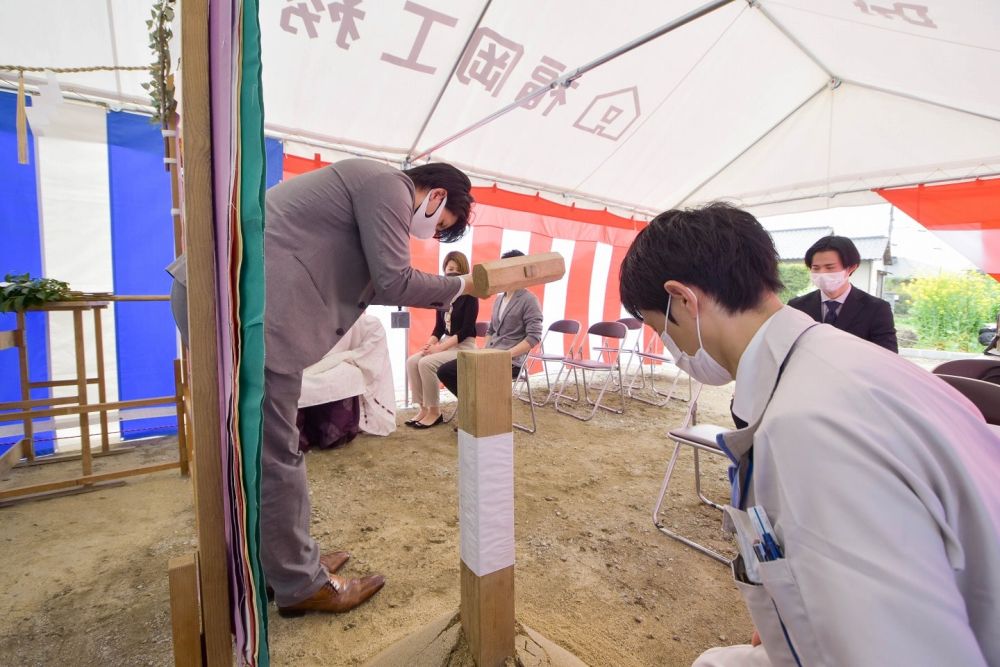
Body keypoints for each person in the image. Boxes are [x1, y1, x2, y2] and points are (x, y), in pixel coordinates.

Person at [618, 203, 1000, 667]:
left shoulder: (807, 427)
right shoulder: (843, 361)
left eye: (661, 330)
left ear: (682, 299)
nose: (672, 348)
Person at [262, 158, 476, 616]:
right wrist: (464, 285)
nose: (432, 235)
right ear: (435, 195)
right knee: (275, 456)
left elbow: (379, 286)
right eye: (441, 226)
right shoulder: (389, 186)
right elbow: (394, 280)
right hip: (263, 312)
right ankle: (299, 583)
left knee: (270, 451)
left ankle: (284, 562)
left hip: (261, 310)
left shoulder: (368, 186)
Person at [436, 250, 543, 399]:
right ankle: (476, 405)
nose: (504, 272)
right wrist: (485, 350)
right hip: (490, 354)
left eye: (508, 268)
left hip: (511, 361)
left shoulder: (529, 300)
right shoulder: (499, 298)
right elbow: (491, 330)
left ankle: (478, 406)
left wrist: (506, 355)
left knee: (454, 371)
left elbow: (534, 337)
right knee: (445, 371)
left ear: (519, 270)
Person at [404, 251, 479, 429]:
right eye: (448, 269)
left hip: (464, 347)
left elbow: (467, 329)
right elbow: (438, 328)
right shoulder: (443, 295)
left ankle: (435, 412)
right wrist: (430, 343)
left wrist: (439, 348)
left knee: (426, 363)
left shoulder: (470, 295)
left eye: (455, 269)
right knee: (412, 361)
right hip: (445, 345)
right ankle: (423, 408)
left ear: (463, 271)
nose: (450, 272)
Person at [788, 234, 898, 352]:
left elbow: (888, 355)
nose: (822, 273)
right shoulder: (796, 307)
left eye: (829, 267)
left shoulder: (876, 309)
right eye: (816, 268)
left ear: (851, 268)